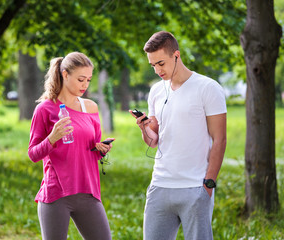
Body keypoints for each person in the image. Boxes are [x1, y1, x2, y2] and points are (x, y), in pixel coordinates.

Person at [130, 31, 227, 240]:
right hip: (160, 186)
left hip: (195, 187)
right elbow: (153, 141)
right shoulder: (156, 91)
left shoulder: (208, 88)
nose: (157, 70)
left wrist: (208, 185)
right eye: (153, 65)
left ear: (176, 55)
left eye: (161, 63)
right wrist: (143, 127)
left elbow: (220, 139)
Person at [28, 52, 113, 240]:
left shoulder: (90, 107)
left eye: (89, 80)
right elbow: (33, 154)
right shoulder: (45, 108)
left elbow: (93, 149)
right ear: (65, 74)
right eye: (81, 79)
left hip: (88, 191)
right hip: (56, 194)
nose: (85, 85)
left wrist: (102, 150)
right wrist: (52, 138)